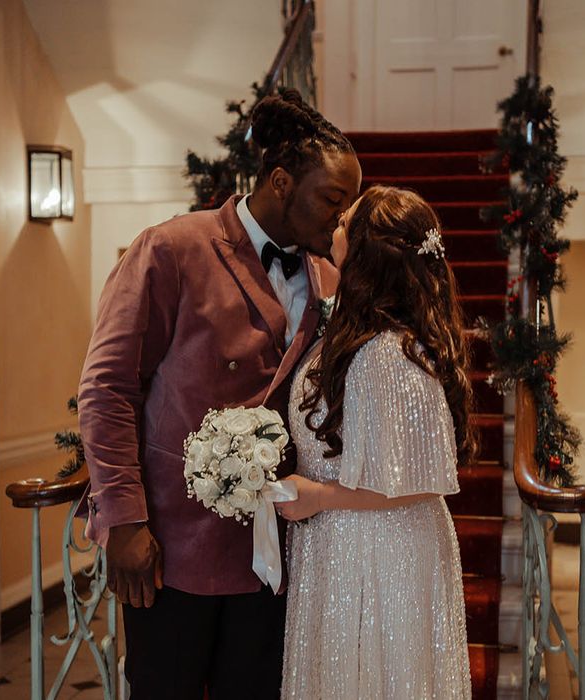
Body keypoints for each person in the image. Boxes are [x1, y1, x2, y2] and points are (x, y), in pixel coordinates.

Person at [77, 89, 361, 699]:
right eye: (333, 200)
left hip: (274, 555)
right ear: (281, 182)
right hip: (170, 550)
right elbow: (107, 387)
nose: (341, 219)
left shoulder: (325, 277)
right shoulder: (172, 248)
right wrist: (124, 520)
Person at [279, 185, 476, 699]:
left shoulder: (388, 355)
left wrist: (319, 496)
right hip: (348, 542)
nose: (334, 224)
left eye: (346, 222)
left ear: (367, 251)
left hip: (377, 552)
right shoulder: (365, 333)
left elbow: (415, 484)